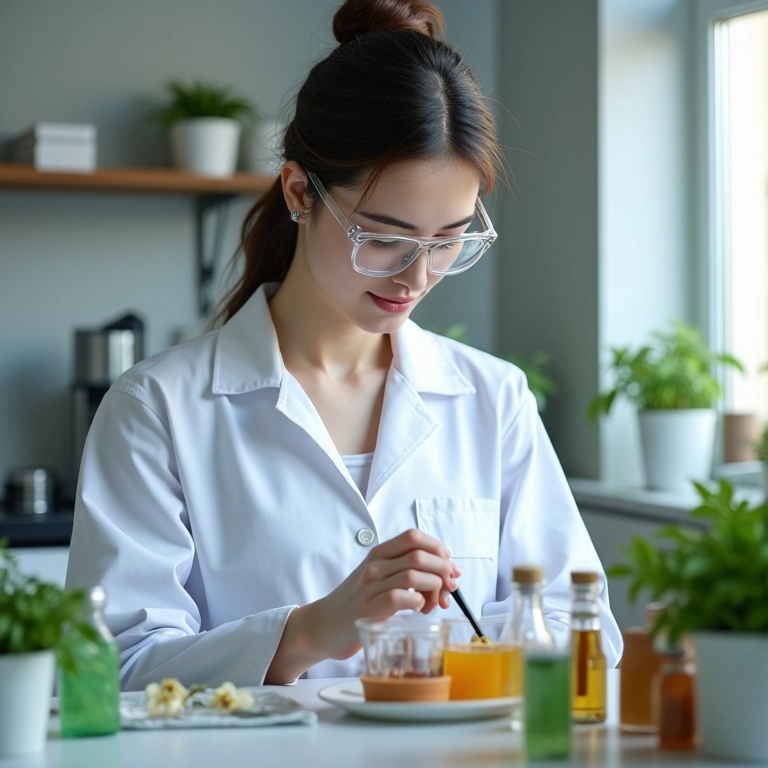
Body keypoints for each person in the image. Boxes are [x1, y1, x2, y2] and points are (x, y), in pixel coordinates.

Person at [66, 0, 622, 690]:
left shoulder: (493, 397)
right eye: (383, 238)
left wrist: (491, 638)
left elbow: (587, 631)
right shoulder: (157, 408)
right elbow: (111, 668)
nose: (417, 276)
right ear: (300, 191)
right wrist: (311, 630)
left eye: (449, 240)